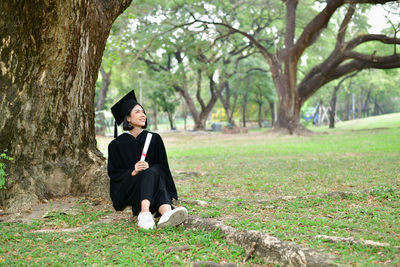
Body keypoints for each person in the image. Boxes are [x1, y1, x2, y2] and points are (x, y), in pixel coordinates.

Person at [107, 90, 188, 230]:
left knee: (153, 172)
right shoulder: (116, 145)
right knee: (150, 173)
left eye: (143, 111)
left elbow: (163, 168)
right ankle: (149, 213)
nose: (143, 114)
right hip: (131, 187)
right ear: (128, 118)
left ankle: (164, 214)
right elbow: (114, 173)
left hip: (154, 184)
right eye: (137, 111)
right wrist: (133, 171)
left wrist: (149, 168)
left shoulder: (154, 138)